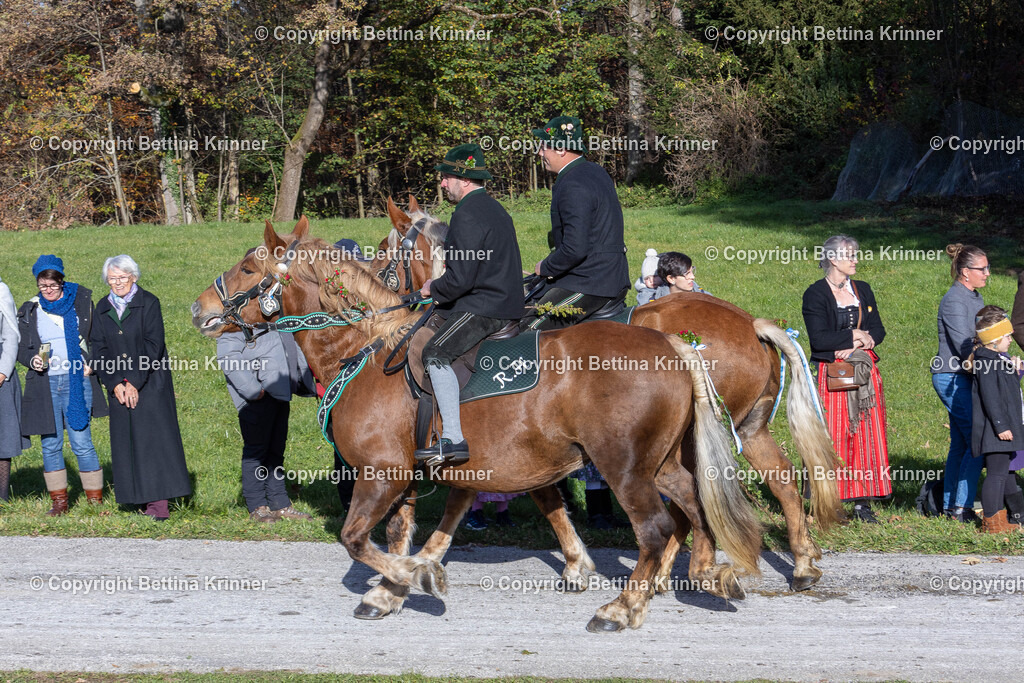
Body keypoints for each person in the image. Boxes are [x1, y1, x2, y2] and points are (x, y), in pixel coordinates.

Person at [413, 143, 524, 464]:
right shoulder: (493, 208)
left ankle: (453, 439)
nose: (443, 184)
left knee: (434, 352)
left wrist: (432, 288)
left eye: (447, 178)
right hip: (502, 300)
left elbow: (460, 279)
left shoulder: (466, 213)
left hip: (486, 307)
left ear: (465, 180)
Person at [89, 255, 191, 520]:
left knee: (153, 442)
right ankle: (138, 500)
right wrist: (114, 384)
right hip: (118, 386)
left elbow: (153, 344)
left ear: (133, 277)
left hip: (149, 383)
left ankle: (159, 506)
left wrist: (133, 380)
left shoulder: (149, 302)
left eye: (123, 277)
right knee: (128, 443)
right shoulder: (102, 307)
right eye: (112, 278)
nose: (118, 283)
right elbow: (98, 348)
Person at [802, 235, 890, 523]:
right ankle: (830, 500)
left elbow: (878, 330)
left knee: (866, 435)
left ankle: (863, 501)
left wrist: (862, 342)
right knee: (835, 435)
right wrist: (854, 334)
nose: (855, 260)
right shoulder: (815, 294)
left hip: (864, 371)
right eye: (849, 255)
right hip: (833, 375)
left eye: (855, 254)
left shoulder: (862, 289)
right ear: (832, 259)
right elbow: (819, 339)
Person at [16, 255, 108, 515]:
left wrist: (93, 363)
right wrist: (31, 360)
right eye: (43, 286)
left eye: (53, 285)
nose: (48, 290)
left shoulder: (81, 302)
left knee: (81, 442)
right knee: (50, 444)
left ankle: (94, 502)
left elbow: (99, 339)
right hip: (45, 384)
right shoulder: (30, 309)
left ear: (61, 281)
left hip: (77, 380)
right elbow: (22, 348)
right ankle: (60, 502)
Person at [522, 115, 629, 330]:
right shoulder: (595, 171)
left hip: (589, 282)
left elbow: (575, 248)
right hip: (606, 276)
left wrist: (545, 266)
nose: (540, 153)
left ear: (560, 149)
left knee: (526, 331)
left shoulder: (573, 183)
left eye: (543, 147)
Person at [217, 325, 316, 523]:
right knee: (256, 452)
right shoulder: (235, 319)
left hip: (279, 391)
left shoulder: (271, 313)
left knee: (276, 452)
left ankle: (280, 504)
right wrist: (254, 390)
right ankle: (257, 506)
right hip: (256, 397)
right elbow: (228, 357)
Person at [932, 243, 989, 522]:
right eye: (983, 269)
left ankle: (950, 506)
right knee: (977, 442)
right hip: (953, 378)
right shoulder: (955, 300)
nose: (988, 273)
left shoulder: (974, 298)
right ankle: (960, 508)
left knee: (961, 444)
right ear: (965, 272)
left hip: (966, 378)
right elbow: (964, 344)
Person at [969, 306, 1024, 533]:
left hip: (1002, 426)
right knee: (997, 475)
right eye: (1007, 336)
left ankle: (1012, 517)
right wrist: (1001, 426)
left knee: (1006, 475)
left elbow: (1005, 391)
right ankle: (992, 522)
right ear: (994, 340)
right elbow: (991, 398)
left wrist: (1014, 370)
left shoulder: (995, 359)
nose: (1010, 340)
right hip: (995, 428)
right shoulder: (986, 362)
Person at [1, 273, 29, 504]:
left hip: (0, 373)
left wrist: (3, 371)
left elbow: (11, 333)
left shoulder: (1, 290)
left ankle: (1, 497)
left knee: (2, 438)